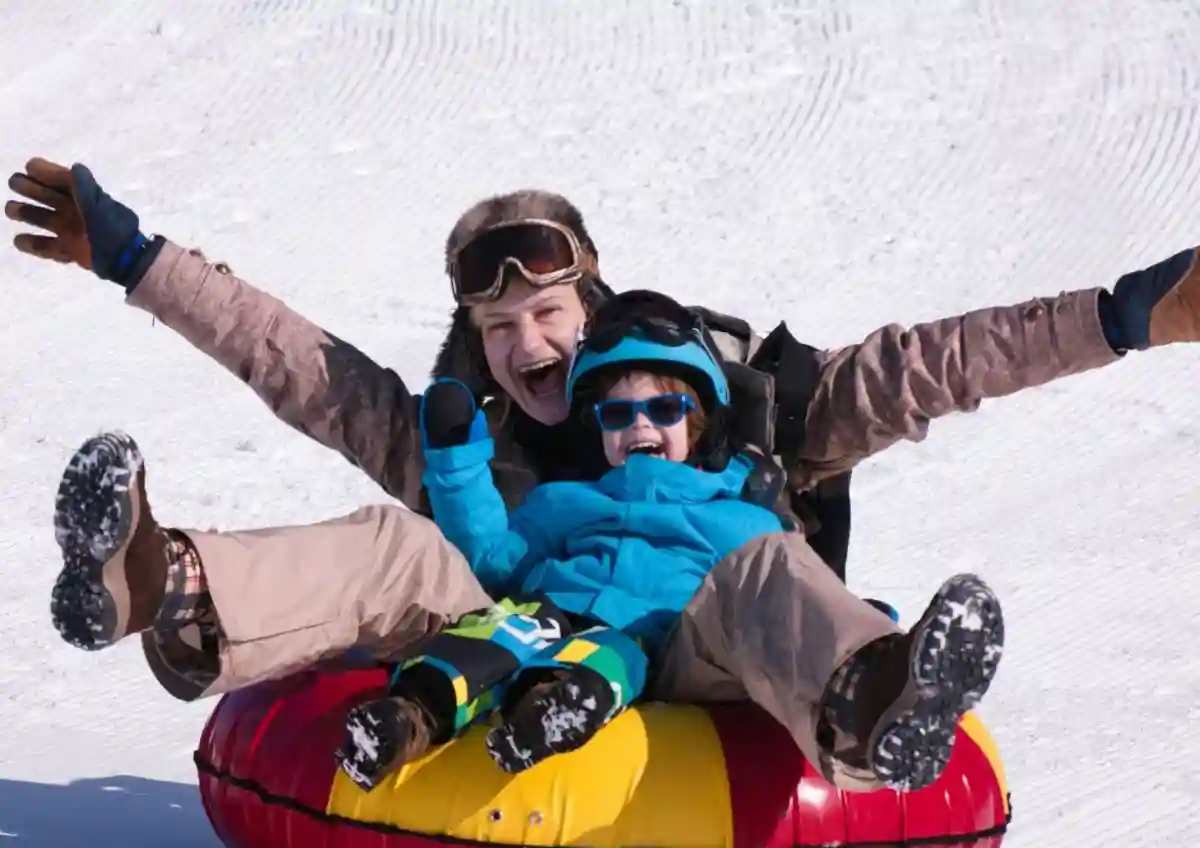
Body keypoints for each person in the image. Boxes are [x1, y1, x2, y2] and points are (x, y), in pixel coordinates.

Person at [10, 159, 1198, 711]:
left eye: (548, 313)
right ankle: (162, 583)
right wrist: (135, 259)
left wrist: (1120, 317)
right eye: (497, 325)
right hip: (517, 655)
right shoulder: (466, 443)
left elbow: (928, 367)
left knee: (762, 565)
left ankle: (872, 696)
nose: (527, 344)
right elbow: (297, 364)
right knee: (399, 539)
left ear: (593, 310)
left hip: (711, 652)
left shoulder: (731, 405)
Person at [338, 290, 1005, 795]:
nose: (640, 427)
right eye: (618, 414)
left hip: (685, 648)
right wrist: (457, 463)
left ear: (700, 420)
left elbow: (791, 598)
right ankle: (449, 715)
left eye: (664, 409)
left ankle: (876, 689)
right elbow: (492, 559)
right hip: (572, 639)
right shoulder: (567, 501)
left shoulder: (740, 516)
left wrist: (870, 623)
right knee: (518, 624)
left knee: (769, 562)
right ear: (597, 426)